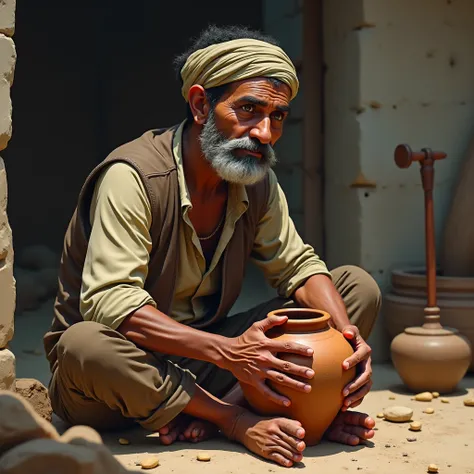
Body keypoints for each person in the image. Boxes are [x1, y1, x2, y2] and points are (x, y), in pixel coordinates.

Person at [43, 25, 381, 468]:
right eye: (248, 110)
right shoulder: (133, 177)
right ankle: (234, 418)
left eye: (277, 116)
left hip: (209, 360)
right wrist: (232, 356)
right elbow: (112, 303)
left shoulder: (256, 181)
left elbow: (297, 266)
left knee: (354, 288)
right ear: (201, 104)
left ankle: (245, 408)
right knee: (83, 343)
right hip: (118, 379)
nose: (263, 132)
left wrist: (350, 344)